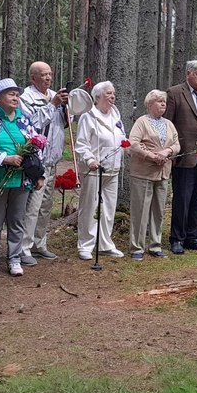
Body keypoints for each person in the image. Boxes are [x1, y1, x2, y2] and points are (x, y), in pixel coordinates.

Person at [0, 78, 44, 276]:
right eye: (11, 94)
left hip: (21, 179)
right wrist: (4, 158)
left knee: (17, 220)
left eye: (17, 94)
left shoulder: (24, 119)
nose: (15, 97)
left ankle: (14, 258)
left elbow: (36, 148)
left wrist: (38, 174)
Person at [164, 61, 197, 255]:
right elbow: (167, 124)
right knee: (183, 198)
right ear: (189, 74)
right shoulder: (174, 93)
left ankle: (193, 237)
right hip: (185, 155)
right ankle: (177, 238)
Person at [18, 61, 68, 266]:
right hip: (35, 161)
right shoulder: (25, 98)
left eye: (50, 74)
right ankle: (24, 247)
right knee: (33, 206)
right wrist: (53, 104)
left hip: (52, 159)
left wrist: (65, 108)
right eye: (43, 75)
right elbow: (33, 123)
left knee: (46, 206)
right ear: (33, 78)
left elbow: (63, 123)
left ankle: (40, 243)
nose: (48, 78)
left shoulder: (54, 94)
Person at [74, 81, 126, 260]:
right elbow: (81, 143)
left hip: (113, 168)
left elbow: (121, 138)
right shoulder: (88, 117)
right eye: (108, 94)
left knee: (109, 208)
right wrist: (89, 159)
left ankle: (105, 243)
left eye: (113, 93)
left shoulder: (116, 115)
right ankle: (86, 245)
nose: (113, 97)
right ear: (97, 97)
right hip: (94, 169)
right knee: (89, 206)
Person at [128, 90, 180, 260]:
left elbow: (177, 144)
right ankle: (137, 247)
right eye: (159, 101)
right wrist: (151, 156)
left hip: (163, 172)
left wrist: (167, 151)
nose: (163, 104)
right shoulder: (142, 122)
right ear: (150, 104)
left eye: (164, 101)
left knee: (158, 210)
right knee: (140, 211)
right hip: (143, 172)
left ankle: (155, 245)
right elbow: (133, 143)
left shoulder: (169, 124)